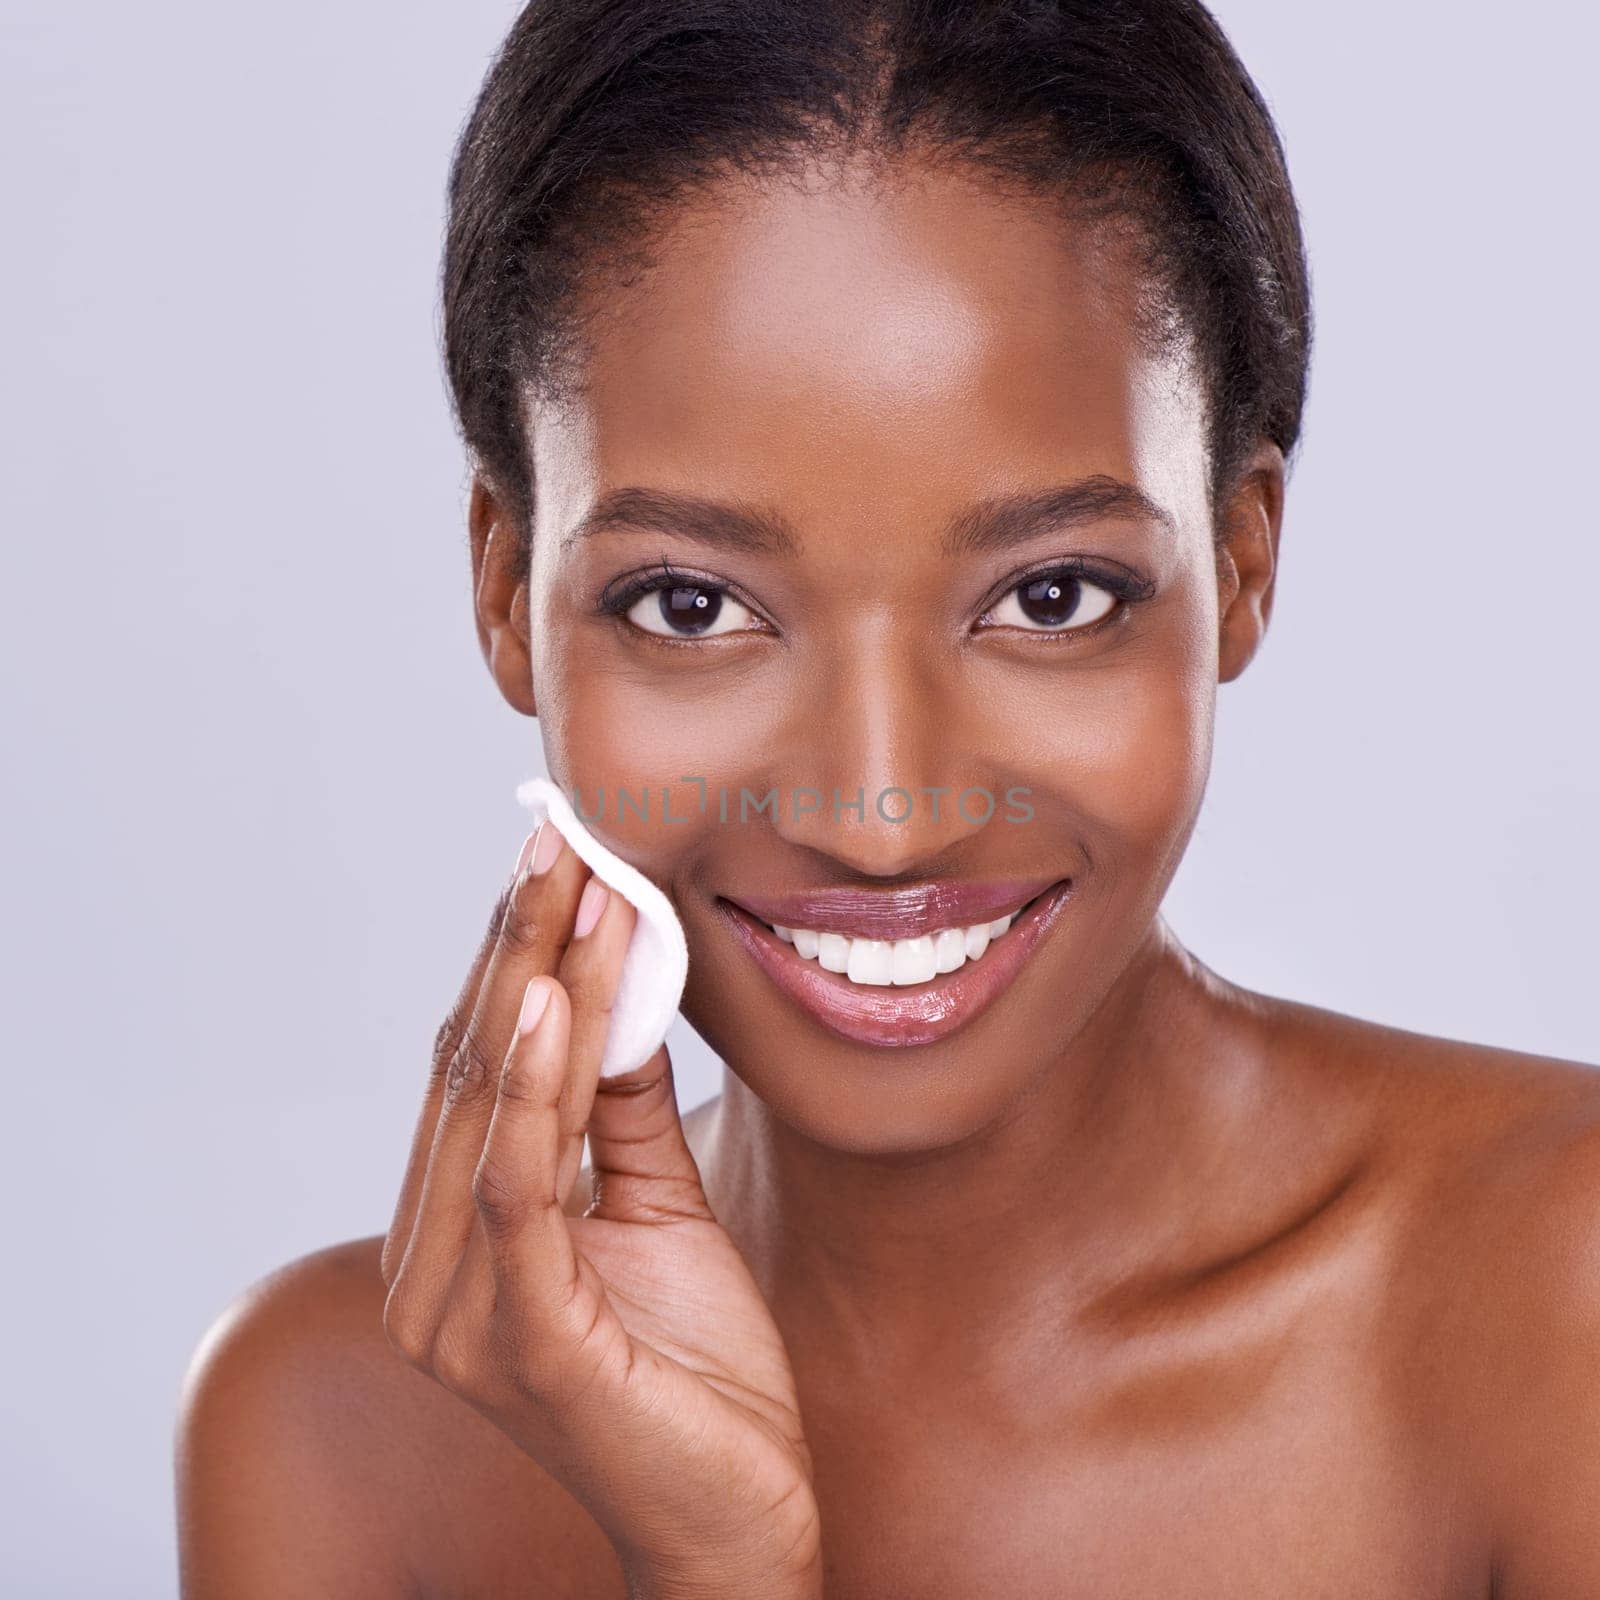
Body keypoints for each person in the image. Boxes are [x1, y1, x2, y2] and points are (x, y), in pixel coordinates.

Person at [174, 2, 1600, 1594]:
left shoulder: (1559, 1305)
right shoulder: (335, 1432)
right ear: (508, 595)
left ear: (1244, 562)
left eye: (1052, 597)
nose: (879, 817)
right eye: (694, 605)